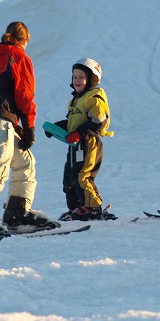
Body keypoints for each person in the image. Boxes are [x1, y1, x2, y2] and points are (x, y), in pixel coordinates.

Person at [0, 21, 58, 238]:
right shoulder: (18, 56)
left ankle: (17, 212)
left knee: (25, 161)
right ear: (25, 40)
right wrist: (29, 127)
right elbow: (24, 94)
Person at [46, 58, 116, 221]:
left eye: (81, 77)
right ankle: (77, 207)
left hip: (89, 143)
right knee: (69, 177)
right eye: (74, 77)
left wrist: (79, 133)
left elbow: (99, 121)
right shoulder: (75, 100)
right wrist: (56, 128)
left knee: (81, 175)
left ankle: (92, 207)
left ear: (92, 79)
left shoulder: (94, 97)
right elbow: (72, 123)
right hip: (75, 145)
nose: (76, 80)